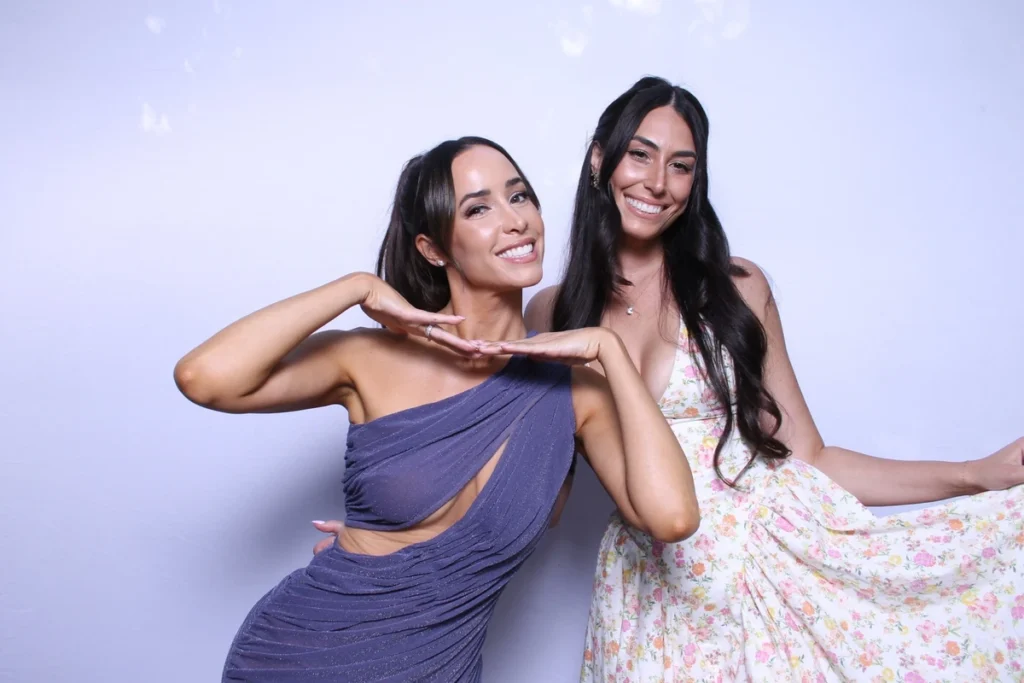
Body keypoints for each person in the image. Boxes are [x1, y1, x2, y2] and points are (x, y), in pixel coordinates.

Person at [523, 76, 1024, 682]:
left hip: (770, 570)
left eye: (681, 166)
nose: (657, 183)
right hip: (647, 596)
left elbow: (809, 456)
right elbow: (549, 487)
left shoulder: (735, 287)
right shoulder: (551, 313)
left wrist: (974, 476)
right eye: (640, 155)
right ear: (600, 160)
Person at [173, 136, 700, 682]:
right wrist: (356, 288)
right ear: (434, 248)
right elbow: (204, 378)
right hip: (307, 654)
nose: (515, 220)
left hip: (438, 668)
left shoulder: (577, 388)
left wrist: (608, 349)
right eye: (479, 208)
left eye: (519, 197)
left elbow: (673, 517)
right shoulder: (369, 357)